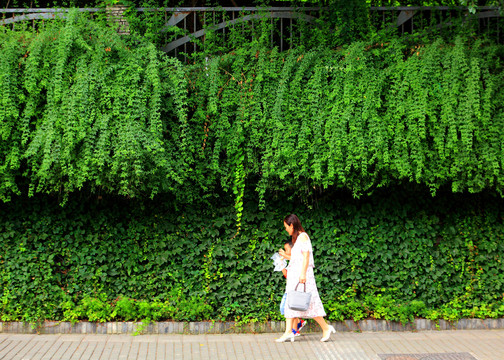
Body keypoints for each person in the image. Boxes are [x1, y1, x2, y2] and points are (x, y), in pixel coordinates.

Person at [275, 214, 336, 343]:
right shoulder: (298, 238)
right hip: (295, 276)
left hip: (302, 277)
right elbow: (298, 258)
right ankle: (288, 332)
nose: (286, 229)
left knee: (309, 303)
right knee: (290, 303)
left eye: (286, 227)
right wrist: (284, 257)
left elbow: (306, 257)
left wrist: (302, 274)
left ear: (292, 225)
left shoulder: (303, 237)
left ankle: (325, 327)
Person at [279, 238, 306, 337]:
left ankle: (294, 330)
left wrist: (284, 255)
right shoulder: (291, 261)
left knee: (289, 309)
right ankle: (297, 325)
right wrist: (281, 265)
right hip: (289, 289)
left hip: (294, 289)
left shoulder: (297, 259)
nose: (285, 252)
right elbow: (287, 275)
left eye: (287, 249)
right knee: (287, 309)